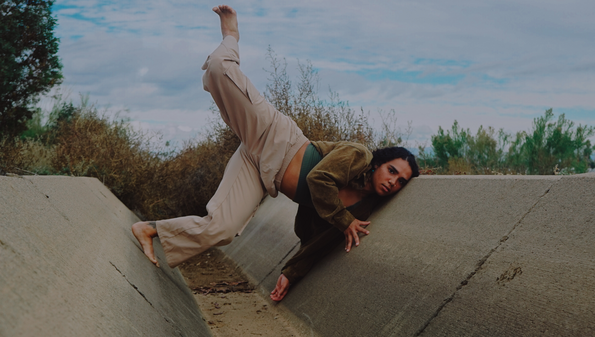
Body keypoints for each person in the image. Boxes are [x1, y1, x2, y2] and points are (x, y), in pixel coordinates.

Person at [132, 5, 419, 302]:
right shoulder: (359, 156)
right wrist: (344, 220)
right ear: (381, 163)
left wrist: (291, 273)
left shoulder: (361, 210)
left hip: (262, 173)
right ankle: (231, 35)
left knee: (223, 229)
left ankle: (149, 230)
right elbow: (319, 180)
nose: (393, 182)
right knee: (220, 68)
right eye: (393, 171)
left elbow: (317, 243)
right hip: (275, 137)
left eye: (401, 182)